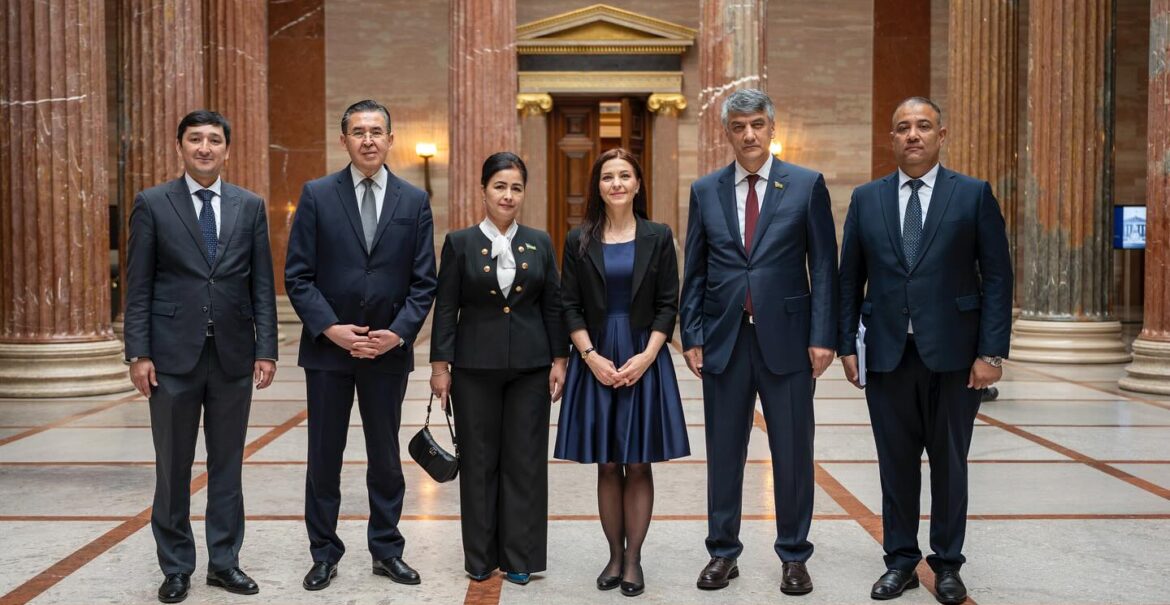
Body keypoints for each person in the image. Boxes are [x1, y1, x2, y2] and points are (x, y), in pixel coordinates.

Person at [837, 97, 1012, 605]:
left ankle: (948, 564)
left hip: (957, 356)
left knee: (950, 463)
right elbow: (851, 279)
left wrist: (991, 353)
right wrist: (848, 344)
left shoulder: (973, 194)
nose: (912, 135)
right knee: (895, 464)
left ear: (941, 134)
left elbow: (997, 277)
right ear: (890, 139)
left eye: (923, 126)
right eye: (902, 128)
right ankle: (900, 563)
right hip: (888, 354)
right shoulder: (867, 199)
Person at [679, 89, 838, 595]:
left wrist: (823, 335)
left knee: (792, 452)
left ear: (772, 129)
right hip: (724, 339)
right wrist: (692, 334)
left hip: (789, 340)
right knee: (724, 453)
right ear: (726, 132)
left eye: (757, 125)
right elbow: (696, 268)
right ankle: (723, 553)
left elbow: (825, 269)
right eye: (739, 126)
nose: (749, 134)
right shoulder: (705, 190)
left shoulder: (807, 185)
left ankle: (794, 555)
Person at [124, 110, 278, 603]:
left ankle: (225, 563)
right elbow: (139, 285)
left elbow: (262, 285)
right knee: (173, 467)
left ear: (227, 150)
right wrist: (138, 352)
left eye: (214, 140)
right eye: (196, 140)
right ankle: (175, 567)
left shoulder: (249, 206)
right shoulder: (152, 204)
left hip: (233, 354)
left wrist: (267, 349)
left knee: (228, 465)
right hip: (171, 358)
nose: (205, 148)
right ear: (180, 147)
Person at [285, 99, 437, 591]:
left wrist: (397, 333)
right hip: (330, 351)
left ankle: (386, 549)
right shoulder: (316, 195)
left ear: (391, 140)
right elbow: (298, 276)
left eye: (376, 131)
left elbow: (424, 282)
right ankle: (324, 552)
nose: (368, 139)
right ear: (343, 140)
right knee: (323, 456)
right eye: (358, 131)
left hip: (387, 352)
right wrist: (332, 329)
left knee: (385, 456)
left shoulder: (413, 201)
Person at [555, 148, 690, 598]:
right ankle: (614, 553)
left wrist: (649, 355)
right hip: (595, 357)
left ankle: (634, 561)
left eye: (624, 176)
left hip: (642, 354)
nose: (616, 183)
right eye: (608, 176)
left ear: (637, 185)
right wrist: (590, 357)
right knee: (607, 463)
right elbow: (568, 304)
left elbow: (669, 303)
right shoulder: (578, 239)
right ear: (598, 186)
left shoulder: (659, 235)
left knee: (638, 460)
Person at [429, 152, 568, 586]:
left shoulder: (540, 241)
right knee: (480, 462)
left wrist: (560, 359)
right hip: (473, 367)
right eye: (500, 186)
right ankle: (480, 556)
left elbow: (553, 305)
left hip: (531, 367)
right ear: (484, 190)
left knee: (525, 462)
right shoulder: (460, 242)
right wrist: (439, 366)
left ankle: (521, 555)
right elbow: (446, 307)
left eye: (516, 188)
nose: (508, 195)